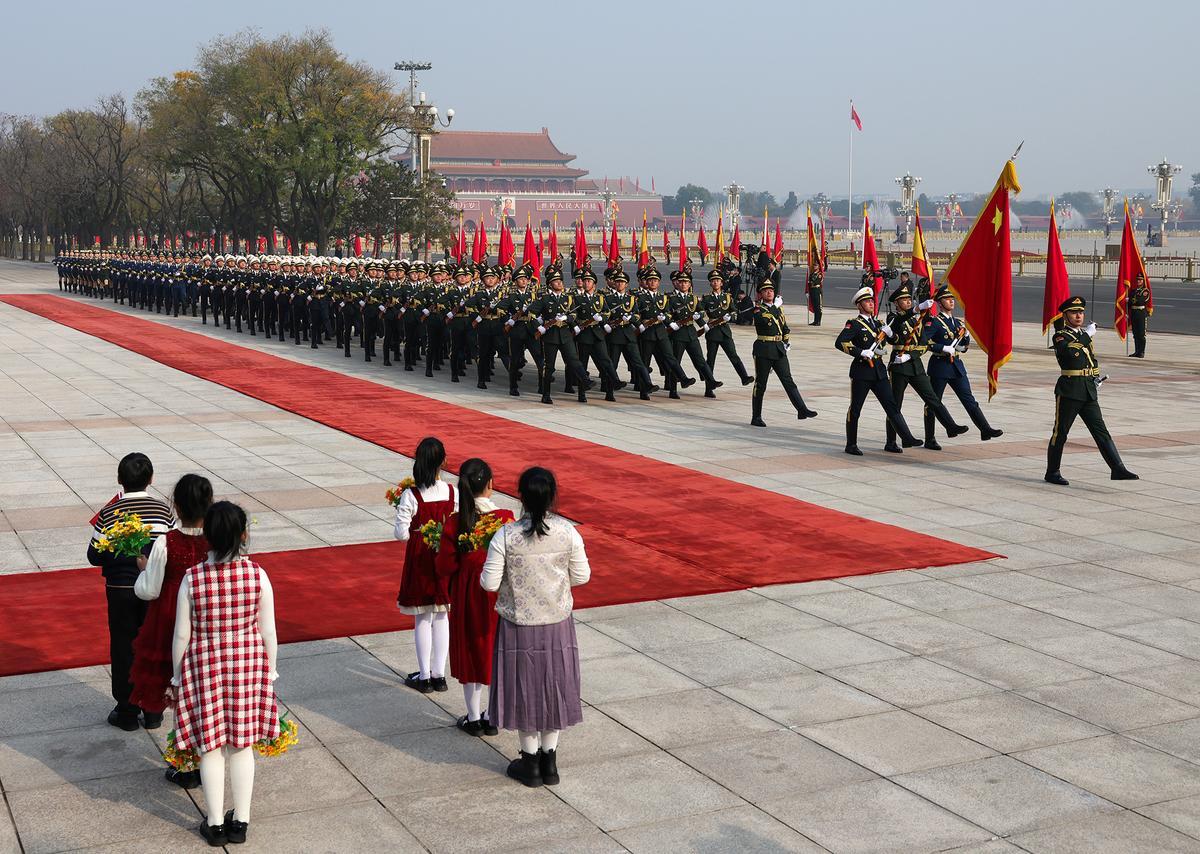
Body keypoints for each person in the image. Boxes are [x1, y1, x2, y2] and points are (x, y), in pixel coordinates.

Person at [173, 501, 278, 847]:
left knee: (211, 746)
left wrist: (177, 678)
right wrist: (271, 670)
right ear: (244, 534)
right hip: (247, 662)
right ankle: (241, 821)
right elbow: (268, 632)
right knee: (241, 744)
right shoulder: (258, 575)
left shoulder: (192, 579)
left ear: (207, 536)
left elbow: (181, 635)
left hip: (205, 664)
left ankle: (216, 823)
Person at [482, 467, 590, 788]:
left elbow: (488, 583)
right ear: (552, 494)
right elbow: (582, 576)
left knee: (523, 687)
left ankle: (529, 762)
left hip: (519, 624)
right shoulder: (568, 531)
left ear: (522, 496)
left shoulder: (506, 535)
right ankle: (550, 759)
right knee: (554, 685)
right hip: (557, 623)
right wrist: (555, 586)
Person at [131, 474, 214, 789]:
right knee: (201, 688)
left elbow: (149, 590)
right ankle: (204, 749)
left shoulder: (166, 541)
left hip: (169, 618)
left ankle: (186, 761)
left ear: (175, 505)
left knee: (177, 687)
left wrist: (143, 570)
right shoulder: (215, 537)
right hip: (208, 616)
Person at [86, 452, 176, 732]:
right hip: (154, 589)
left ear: (119, 480)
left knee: (123, 646)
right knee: (153, 645)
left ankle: (126, 710)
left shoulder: (109, 513)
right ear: (151, 480)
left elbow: (93, 555)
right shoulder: (163, 511)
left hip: (120, 589)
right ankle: (152, 710)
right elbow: (171, 549)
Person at [435, 458, 515, 737]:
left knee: (471, 650)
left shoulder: (457, 523)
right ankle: (493, 715)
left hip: (468, 594)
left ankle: (473, 716)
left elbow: (444, 566)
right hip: (497, 595)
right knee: (495, 649)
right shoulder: (505, 519)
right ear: (491, 485)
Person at [1045, 296, 1139, 486]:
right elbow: (1071, 353)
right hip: (1070, 390)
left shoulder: (1082, 334)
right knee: (1060, 432)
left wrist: (1094, 377)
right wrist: (1087, 334)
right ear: (1065, 315)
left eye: (1081, 312)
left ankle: (1117, 468)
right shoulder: (1061, 335)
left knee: (1101, 431)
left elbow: (1090, 359)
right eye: (1074, 312)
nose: (1078, 316)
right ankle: (1052, 472)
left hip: (1087, 389)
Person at [394, 437, 458, 692]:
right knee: (442, 614)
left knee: (423, 617)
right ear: (444, 461)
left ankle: (424, 676)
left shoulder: (411, 494)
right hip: (444, 556)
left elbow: (401, 534)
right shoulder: (453, 491)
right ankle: (439, 674)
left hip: (420, 559)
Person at [881, 281, 968, 453]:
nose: (908, 302)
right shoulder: (893, 318)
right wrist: (915, 310)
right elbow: (898, 323)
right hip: (899, 366)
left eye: (909, 299)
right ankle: (891, 441)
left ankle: (950, 426)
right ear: (897, 303)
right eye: (904, 300)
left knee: (932, 398)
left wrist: (911, 355)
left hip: (915, 365)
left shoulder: (918, 319)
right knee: (895, 405)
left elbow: (923, 344)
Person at [834, 287, 923, 455]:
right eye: (867, 301)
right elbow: (840, 343)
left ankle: (906, 437)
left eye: (872, 301)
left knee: (891, 406)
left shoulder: (879, 324)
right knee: (856, 409)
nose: (871, 303)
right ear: (859, 306)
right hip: (862, 371)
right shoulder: (853, 324)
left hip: (879, 371)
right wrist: (861, 352)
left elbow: (894, 336)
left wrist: (891, 334)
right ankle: (851, 444)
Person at [922, 286, 1004, 445]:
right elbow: (925, 342)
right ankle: (930, 438)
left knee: (969, 400)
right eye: (947, 299)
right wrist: (942, 347)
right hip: (940, 366)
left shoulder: (957, 322)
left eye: (952, 299)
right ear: (939, 303)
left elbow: (964, 347)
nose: (951, 301)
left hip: (956, 367)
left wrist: (966, 337)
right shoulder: (934, 322)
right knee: (933, 402)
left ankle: (985, 429)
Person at [749, 280, 817, 427]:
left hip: (779, 349)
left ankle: (802, 409)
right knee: (761, 384)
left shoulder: (778, 309)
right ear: (760, 294)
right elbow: (762, 322)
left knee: (788, 381)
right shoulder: (758, 309)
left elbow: (784, 328)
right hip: (764, 348)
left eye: (771, 290)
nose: (769, 292)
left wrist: (786, 342)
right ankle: (756, 416)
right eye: (766, 290)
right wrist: (775, 306)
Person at [701, 268, 752, 387]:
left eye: (718, 280)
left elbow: (734, 310)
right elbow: (700, 311)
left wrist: (731, 316)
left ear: (722, 283)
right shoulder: (707, 298)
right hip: (713, 331)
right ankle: (709, 387)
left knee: (733, 355)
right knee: (711, 359)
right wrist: (704, 324)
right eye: (713, 281)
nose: (715, 283)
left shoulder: (727, 297)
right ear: (710, 283)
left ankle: (744, 377)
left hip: (724, 331)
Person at [1129, 272, 1151, 358]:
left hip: (1141, 313)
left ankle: (1141, 352)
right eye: (1137, 280)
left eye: (1140, 280)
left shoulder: (1145, 291)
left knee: (1141, 334)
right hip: (1134, 313)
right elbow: (1130, 303)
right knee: (1135, 334)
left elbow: (1141, 301)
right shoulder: (1133, 291)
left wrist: (1132, 300)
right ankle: (1137, 351)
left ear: (1143, 281)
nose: (1138, 281)